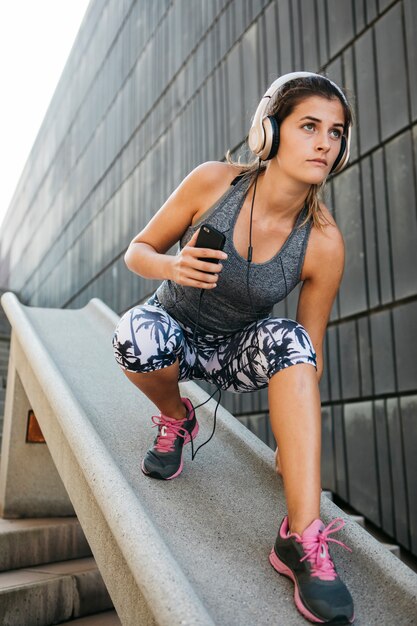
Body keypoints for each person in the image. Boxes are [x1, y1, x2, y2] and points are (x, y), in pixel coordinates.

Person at [112, 71, 355, 624]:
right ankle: (176, 418)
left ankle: (301, 539)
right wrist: (173, 264)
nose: (324, 142)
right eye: (309, 126)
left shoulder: (322, 241)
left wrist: (291, 448)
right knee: (134, 334)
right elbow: (137, 251)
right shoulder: (213, 183)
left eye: (336, 133)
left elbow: (306, 354)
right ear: (268, 132)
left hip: (236, 349)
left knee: (293, 340)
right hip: (172, 326)